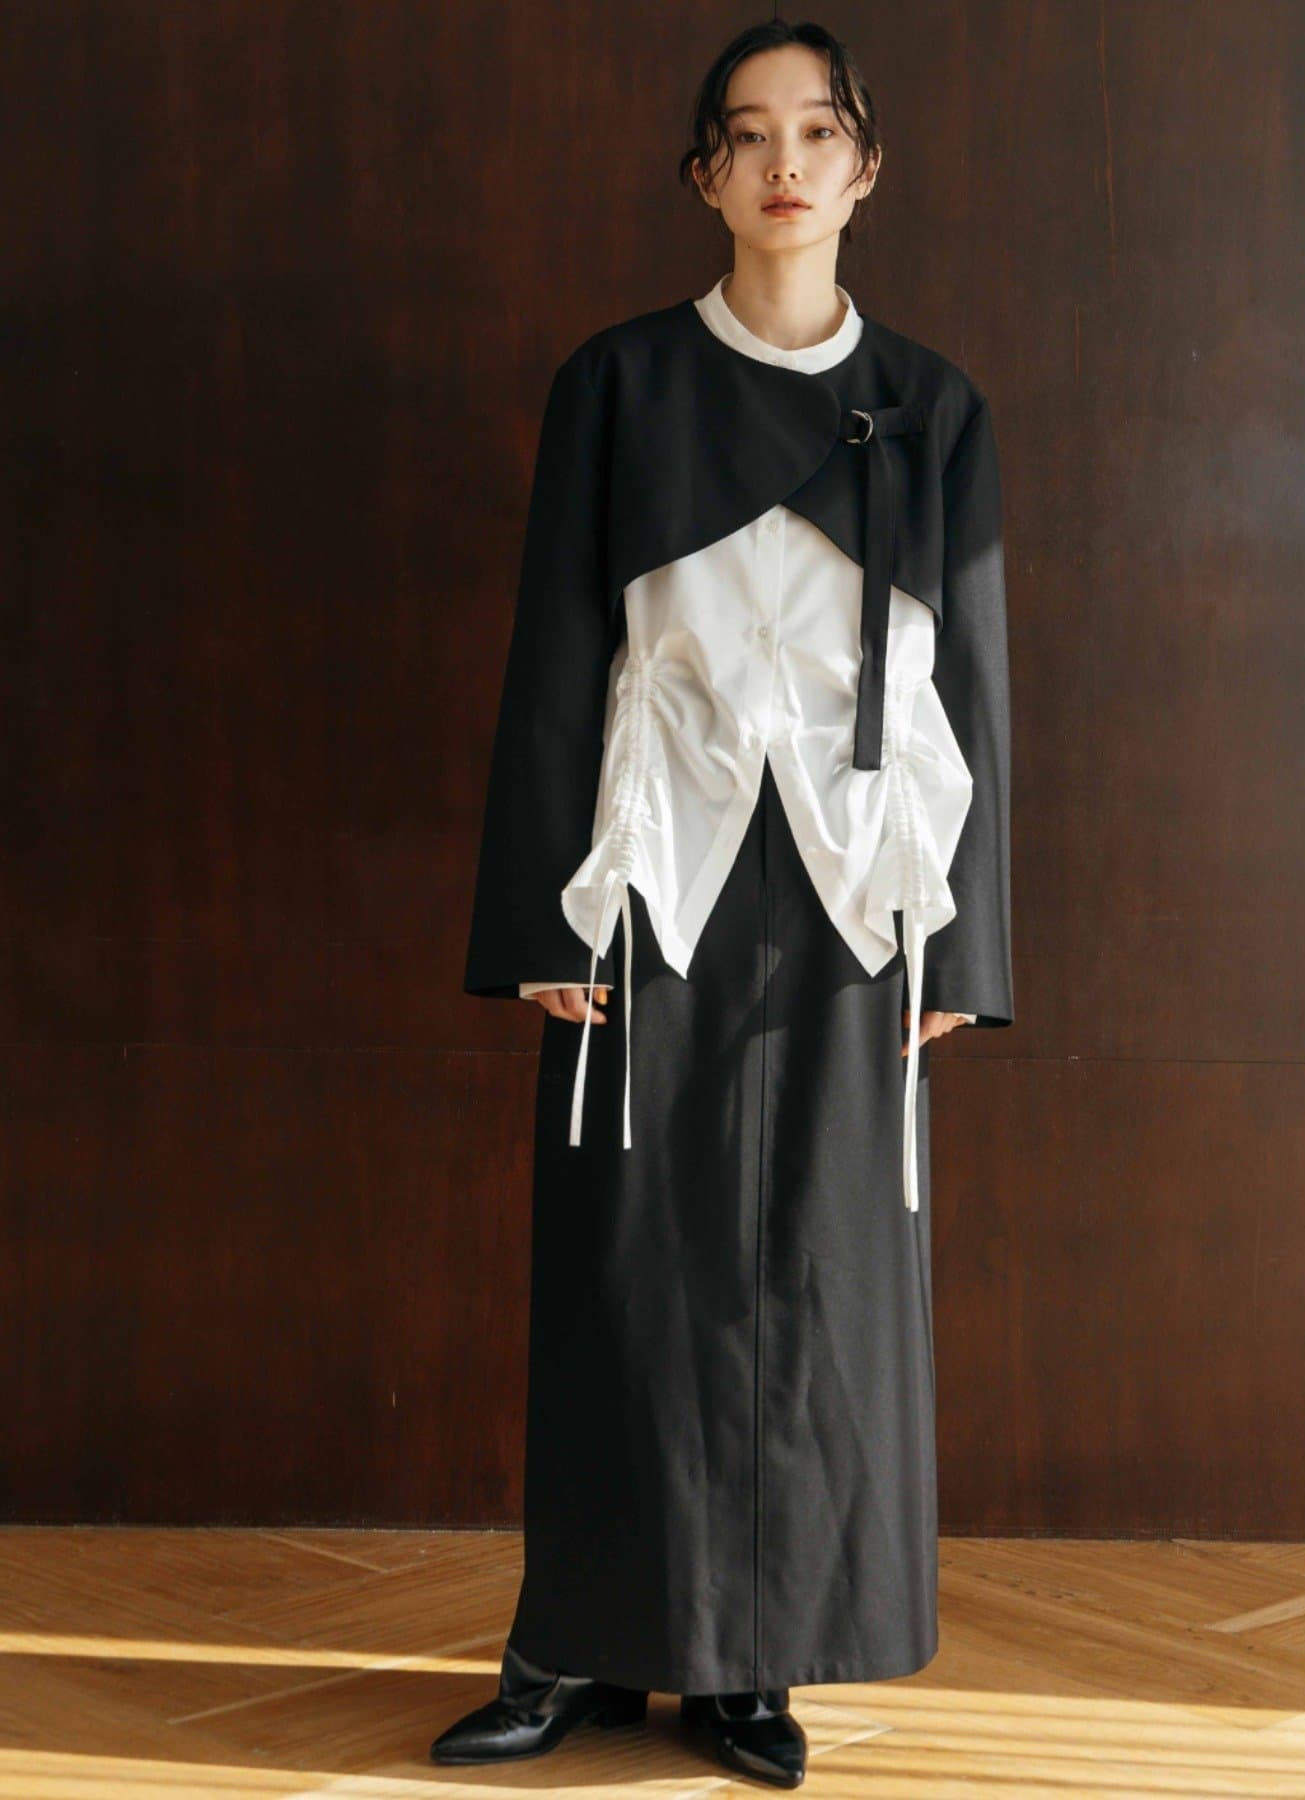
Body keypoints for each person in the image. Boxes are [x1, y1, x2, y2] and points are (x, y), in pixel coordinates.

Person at [431, 17, 1013, 1790]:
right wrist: (542, 920)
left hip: (853, 892)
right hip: (650, 873)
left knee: (817, 1281)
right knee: (625, 1268)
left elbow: (971, 680)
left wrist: (965, 941)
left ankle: (754, 1658)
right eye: (747, 135)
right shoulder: (617, 383)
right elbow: (557, 653)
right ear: (705, 172)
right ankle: (578, 1646)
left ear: (864, 166)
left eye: (816, 131)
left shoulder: (936, 404)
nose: (783, 164)